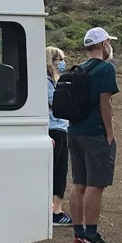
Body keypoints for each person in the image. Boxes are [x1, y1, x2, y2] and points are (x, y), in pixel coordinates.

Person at [67, 27, 120, 243]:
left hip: (74, 131)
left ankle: (78, 235)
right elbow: (105, 103)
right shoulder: (106, 69)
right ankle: (91, 235)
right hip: (94, 133)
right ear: (103, 44)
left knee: (79, 183)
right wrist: (109, 132)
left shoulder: (79, 68)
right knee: (95, 184)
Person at [46, 47, 71, 225]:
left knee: (61, 170)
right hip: (54, 129)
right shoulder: (46, 82)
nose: (61, 63)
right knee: (54, 170)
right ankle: (51, 210)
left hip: (61, 128)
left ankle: (57, 209)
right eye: (58, 59)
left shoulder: (55, 81)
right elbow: (54, 103)